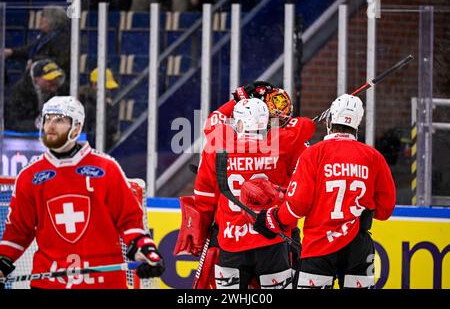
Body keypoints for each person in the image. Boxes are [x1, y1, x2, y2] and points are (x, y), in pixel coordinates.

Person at [0, 96, 164, 289]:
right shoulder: (29, 176)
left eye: (59, 119)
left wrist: (146, 250)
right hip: (49, 283)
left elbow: (130, 222)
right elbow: (17, 232)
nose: (51, 125)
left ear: (76, 128)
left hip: (103, 284)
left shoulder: (106, 169)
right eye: (48, 119)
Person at [249, 94, 396, 289]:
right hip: (358, 248)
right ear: (357, 124)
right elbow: (385, 210)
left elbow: (297, 206)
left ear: (330, 119)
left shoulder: (313, 154)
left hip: (319, 245)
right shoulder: (373, 157)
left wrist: (272, 219)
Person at [175, 97, 315, 289]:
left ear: (239, 122)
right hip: (272, 240)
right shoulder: (281, 143)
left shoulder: (218, 144)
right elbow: (306, 125)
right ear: (266, 121)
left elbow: (204, 197)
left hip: (231, 240)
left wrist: (238, 98)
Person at [4, 6, 70, 82]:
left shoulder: (62, 38)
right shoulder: (44, 36)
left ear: (53, 21)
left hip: (52, 81)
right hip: (38, 78)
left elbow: (61, 61)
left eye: (43, 17)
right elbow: (29, 50)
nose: (40, 20)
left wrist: (36, 61)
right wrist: (11, 52)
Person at [5, 59, 66, 132]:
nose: (54, 82)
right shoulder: (18, 93)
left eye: (56, 78)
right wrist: (39, 125)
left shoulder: (60, 89)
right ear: (37, 79)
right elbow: (14, 122)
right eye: (49, 79)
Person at [79, 67, 120, 150]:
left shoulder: (95, 101)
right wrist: (107, 107)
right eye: (106, 88)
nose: (108, 92)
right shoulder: (87, 105)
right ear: (94, 85)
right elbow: (109, 128)